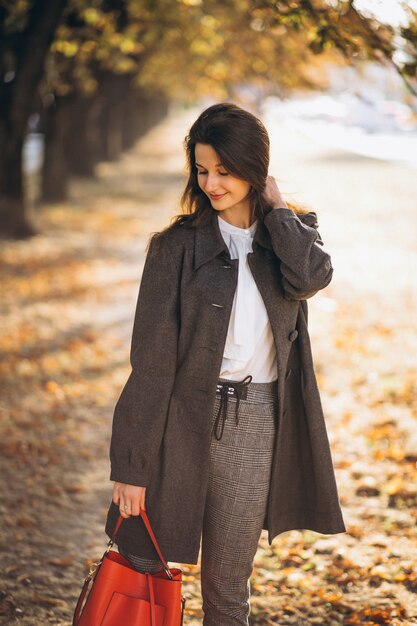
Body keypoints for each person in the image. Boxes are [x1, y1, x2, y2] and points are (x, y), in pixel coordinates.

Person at [104, 101, 346, 626]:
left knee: (229, 582)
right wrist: (131, 463)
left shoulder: (291, 235)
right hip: (179, 417)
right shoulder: (176, 248)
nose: (211, 183)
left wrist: (279, 211)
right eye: (201, 169)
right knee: (142, 562)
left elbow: (312, 278)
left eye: (225, 170)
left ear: (255, 170)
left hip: (256, 421)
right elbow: (150, 362)